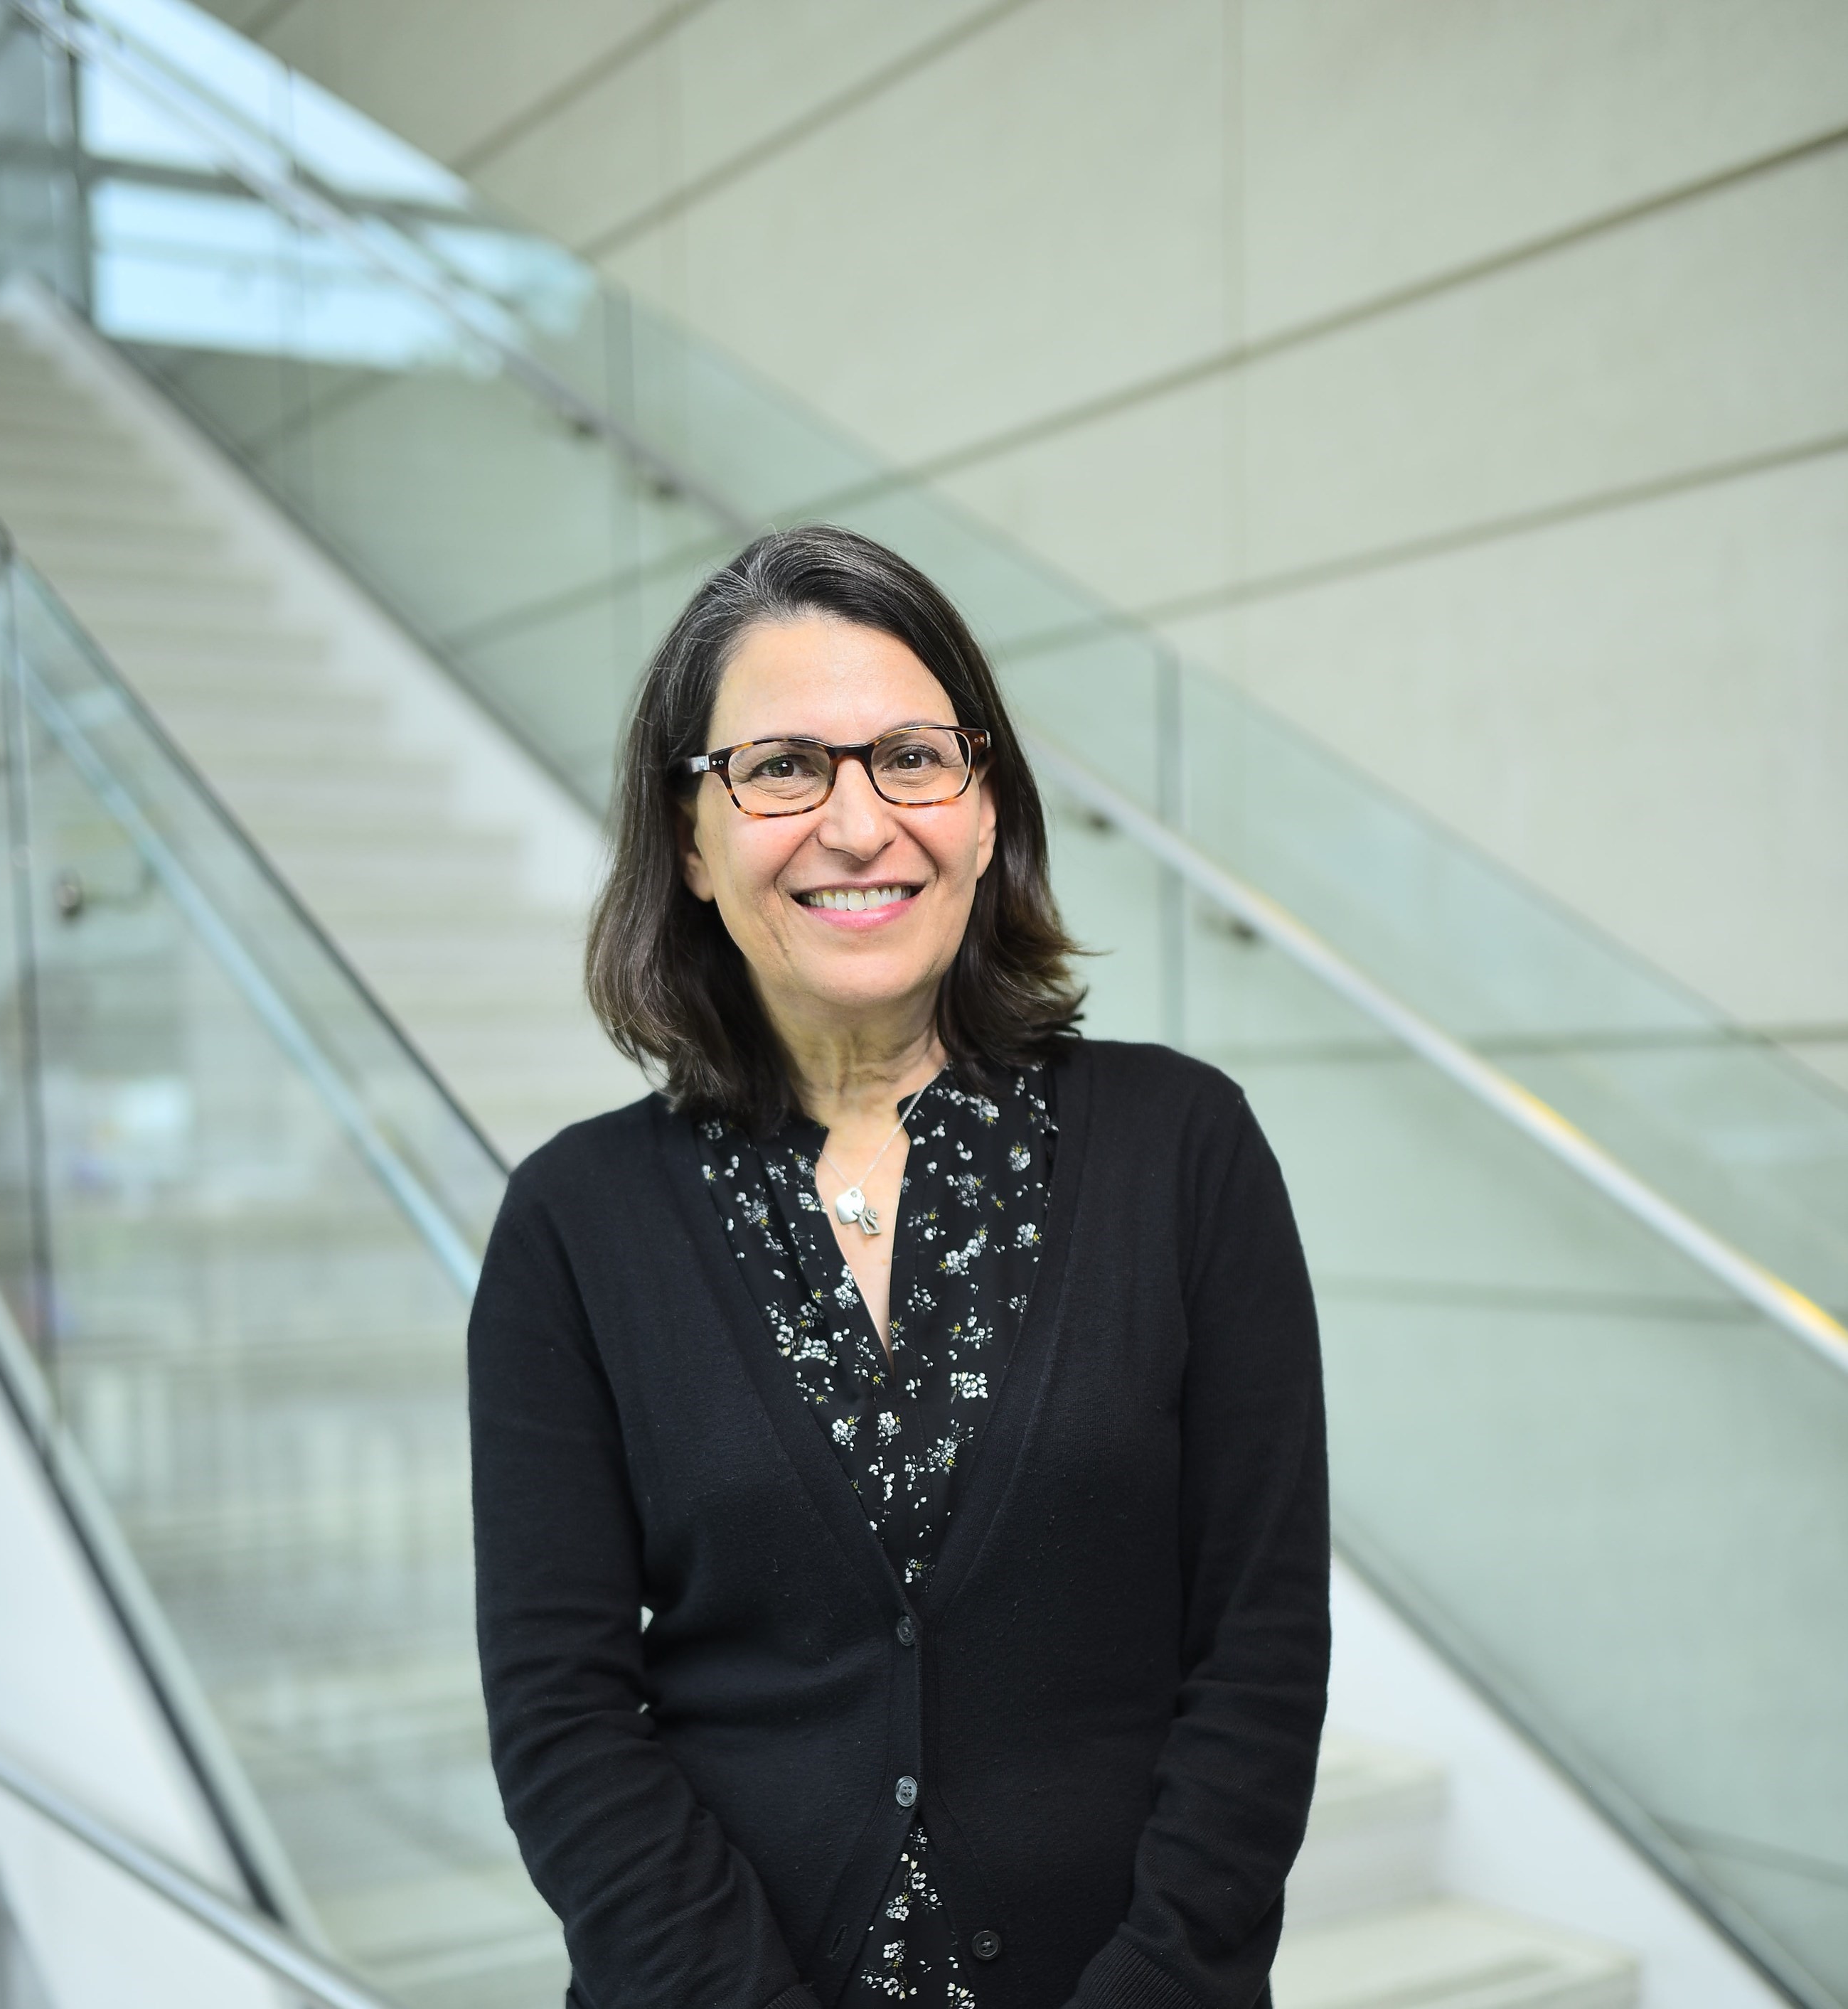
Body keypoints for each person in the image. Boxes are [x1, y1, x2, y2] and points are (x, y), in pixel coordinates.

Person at [469, 525, 1329, 2009]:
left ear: (985, 810)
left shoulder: (1182, 1149)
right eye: (782, 768)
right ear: (689, 839)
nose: (856, 827)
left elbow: (1256, 1650)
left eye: (911, 760)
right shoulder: (572, 1222)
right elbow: (562, 1716)